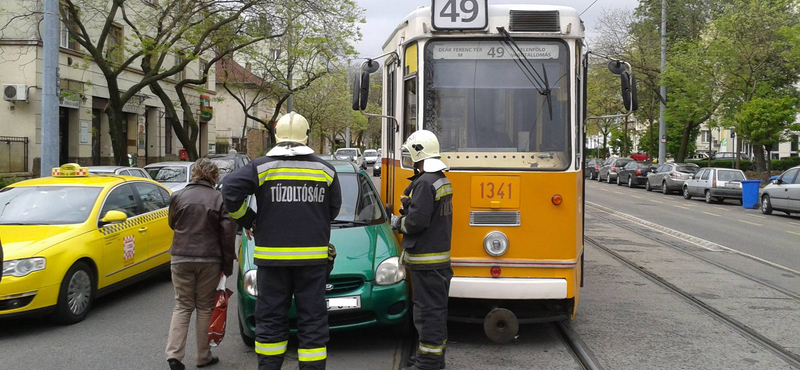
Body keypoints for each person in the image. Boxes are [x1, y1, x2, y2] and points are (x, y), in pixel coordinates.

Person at [221, 112, 341, 370]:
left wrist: (249, 220)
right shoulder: (326, 170)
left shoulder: (261, 167)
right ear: (306, 136)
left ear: (276, 136)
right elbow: (333, 210)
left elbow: (229, 190)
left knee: (271, 319)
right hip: (312, 262)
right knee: (312, 320)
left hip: (272, 261)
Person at [391, 130, 454, 370]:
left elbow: (416, 222)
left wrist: (398, 222)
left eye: (411, 154)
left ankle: (429, 363)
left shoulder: (426, 183)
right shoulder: (439, 179)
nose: (410, 159)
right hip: (435, 262)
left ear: (419, 153)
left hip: (426, 263)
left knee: (427, 314)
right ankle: (433, 358)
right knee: (434, 312)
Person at [165, 158, 236, 370]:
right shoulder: (219, 199)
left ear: (194, 173)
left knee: (182, 306)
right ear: (214, 177)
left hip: (181, 256)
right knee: (205, 307)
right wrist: (228, 264)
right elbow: (227, 234)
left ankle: (174, 356)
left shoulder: (178, 196)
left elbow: (172, 223)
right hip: (209, 259)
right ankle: (203, 356)